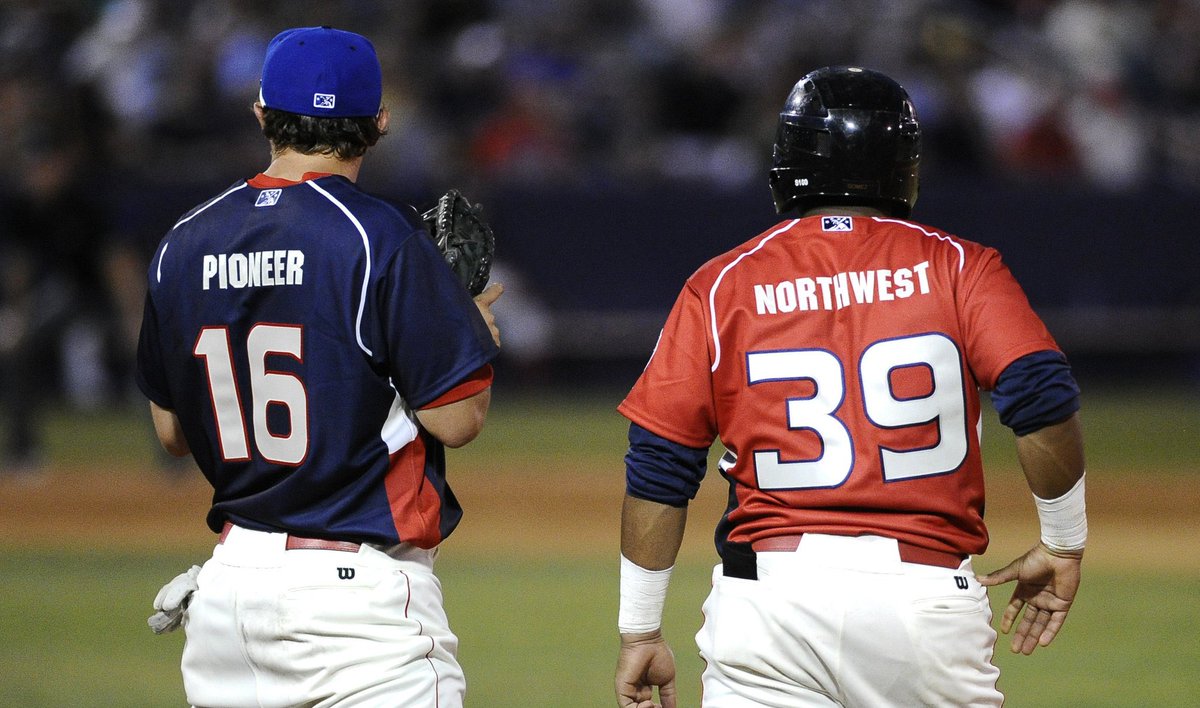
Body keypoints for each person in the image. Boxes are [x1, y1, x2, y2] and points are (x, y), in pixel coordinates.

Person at [613, 66, 1087, 707]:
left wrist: (640, 627)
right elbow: (1040, 393)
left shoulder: (723, 283)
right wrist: (1063, 539)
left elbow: (660, 461)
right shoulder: (960, 266)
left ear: (788, 159)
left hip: (768, 607)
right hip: (924, 603)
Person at [136, 26, 502, 707]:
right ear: (379, 123)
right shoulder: (379, 235)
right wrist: (467, 327)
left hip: (227, 598)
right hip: (353, 609)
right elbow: (456, 419)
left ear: (261, 115)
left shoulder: (183, 243)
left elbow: (171, 432)